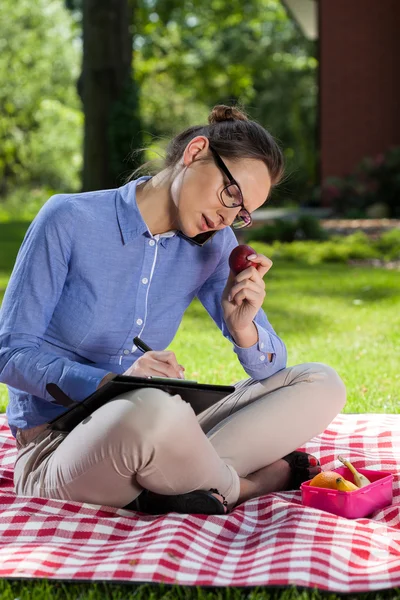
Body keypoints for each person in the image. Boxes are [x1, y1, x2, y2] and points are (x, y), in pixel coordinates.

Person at [0, 105, 346, 515]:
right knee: (153, 410)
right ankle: (249, 484)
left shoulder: (216, 246)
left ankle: (179, 482)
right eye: (230, 193)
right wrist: (114, 382)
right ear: (195, 152)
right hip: (59, 446)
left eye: (242, 211)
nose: (228, 216)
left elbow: (270, 370)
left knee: (320, 382)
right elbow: (10, 353)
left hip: (160, 428)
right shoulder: (68, 220)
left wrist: (245, 329)